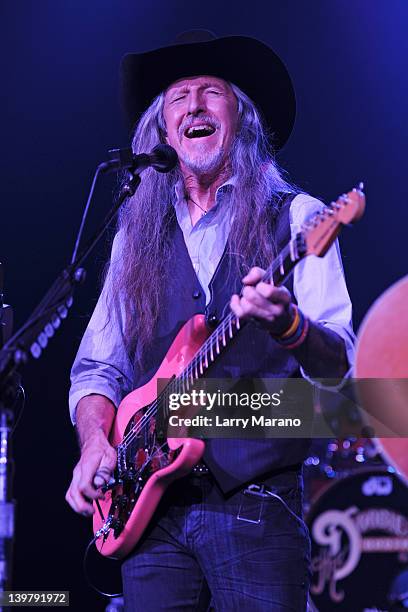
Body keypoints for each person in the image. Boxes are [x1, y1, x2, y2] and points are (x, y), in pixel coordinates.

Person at [65, 31, 355, 611]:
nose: (194, 105)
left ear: (242, 119)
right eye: (179, 98)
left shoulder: (299, 217)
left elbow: (340, 369)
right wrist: (95, 441)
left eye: (211, 93)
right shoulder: (134, 237)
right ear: (163, 132)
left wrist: (288, 324)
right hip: (152, 514)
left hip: (256, 507)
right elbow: (98, 367)